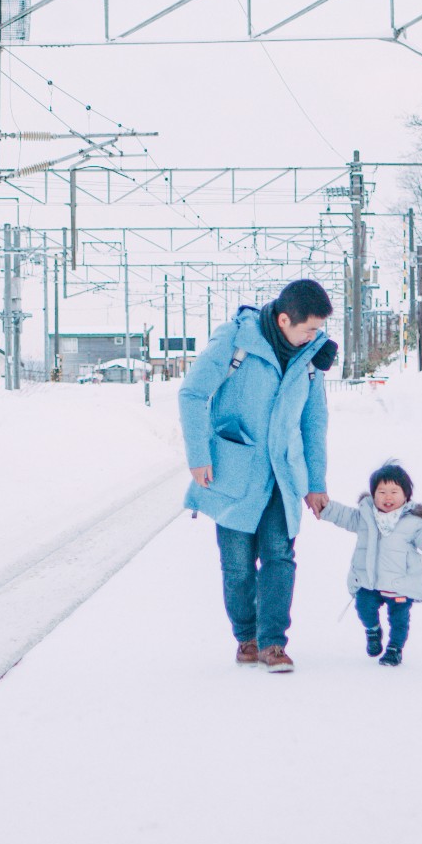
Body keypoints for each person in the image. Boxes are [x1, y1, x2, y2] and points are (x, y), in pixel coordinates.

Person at [178, 279, 338, 674]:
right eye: (309, 329)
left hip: (283, 475)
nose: (314, 336)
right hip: (234, 471)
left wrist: (316, 482)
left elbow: (314, 421)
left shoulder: (311, 357)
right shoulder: (236, 340)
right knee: (236, 565)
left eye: (318, 330)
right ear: (284, 320)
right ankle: (246, 636)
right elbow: (192, 394)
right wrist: (198, 456)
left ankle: (273, 643)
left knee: (280, 557)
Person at [315, 462, 422, 667]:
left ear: (406, 495)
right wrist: (325, 507)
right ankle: (373, 630)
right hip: (370, 581)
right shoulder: (366, 517)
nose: (388, 497)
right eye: (381, 491)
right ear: (373, 495)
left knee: (399, 619)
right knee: (364, 607)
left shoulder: (413, 522)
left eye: (394, 491)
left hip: (400, 583)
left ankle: (394, 649)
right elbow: (344, 516)